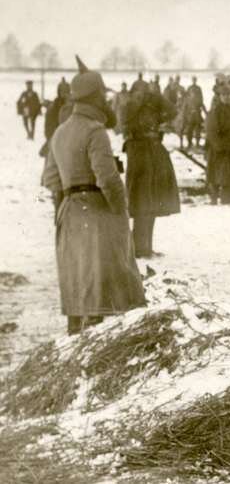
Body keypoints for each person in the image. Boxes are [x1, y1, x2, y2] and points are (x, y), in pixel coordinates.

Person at [41, 56, 146, 334]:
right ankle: (101, 338)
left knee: (78, 276)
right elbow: (107, 178)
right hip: (97, 210)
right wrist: (119, 208)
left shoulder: (60, 132)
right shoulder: (95, 131)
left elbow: (50, 178)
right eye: (102, 95)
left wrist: (69, 195)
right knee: (106, 279)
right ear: (96, 98)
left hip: (70, 210)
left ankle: (76, 331)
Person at [121, 78, 181, 257]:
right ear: (133, 93)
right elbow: (124, 125)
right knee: (141, 203)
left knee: (152, 202)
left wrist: (157, 102)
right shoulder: (129, 107)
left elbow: (172, 110)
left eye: (145, 92)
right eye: (139, 92)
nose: (142, 95)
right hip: (138, 153)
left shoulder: (152, 103)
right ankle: (138, 248)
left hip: (153, 152)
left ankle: (145, 247)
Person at [205, 84, 230, 205]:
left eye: (228, 95)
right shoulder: (215, 112)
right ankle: (214, 198)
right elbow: (211, 130)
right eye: (223, 95)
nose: (226, 97)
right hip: (218, 148)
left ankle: (227, 198)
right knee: (214, 174)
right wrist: (218, 146)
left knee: (228, 174)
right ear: (219, 96)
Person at [39, 79, 72, 157]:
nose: (64, 94)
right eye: (62, 91)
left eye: (66, 91)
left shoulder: (73, 105)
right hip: (55, 138)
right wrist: (51, 139)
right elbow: (48, 127)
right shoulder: (54, 107)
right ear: (59, 92)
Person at [180, 77, 206, 149]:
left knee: (198, 130)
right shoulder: (188, 100)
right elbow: (184, 108)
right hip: (190, 118)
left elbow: (202, 105)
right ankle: (189, 144)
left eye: (195, 93)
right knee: (189, 131)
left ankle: (197, 144)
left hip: (197, 116)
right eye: (192, 93)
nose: (193, 94)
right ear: (190, 93)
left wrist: (206, 113)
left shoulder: (198, 98)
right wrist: (183, 115)